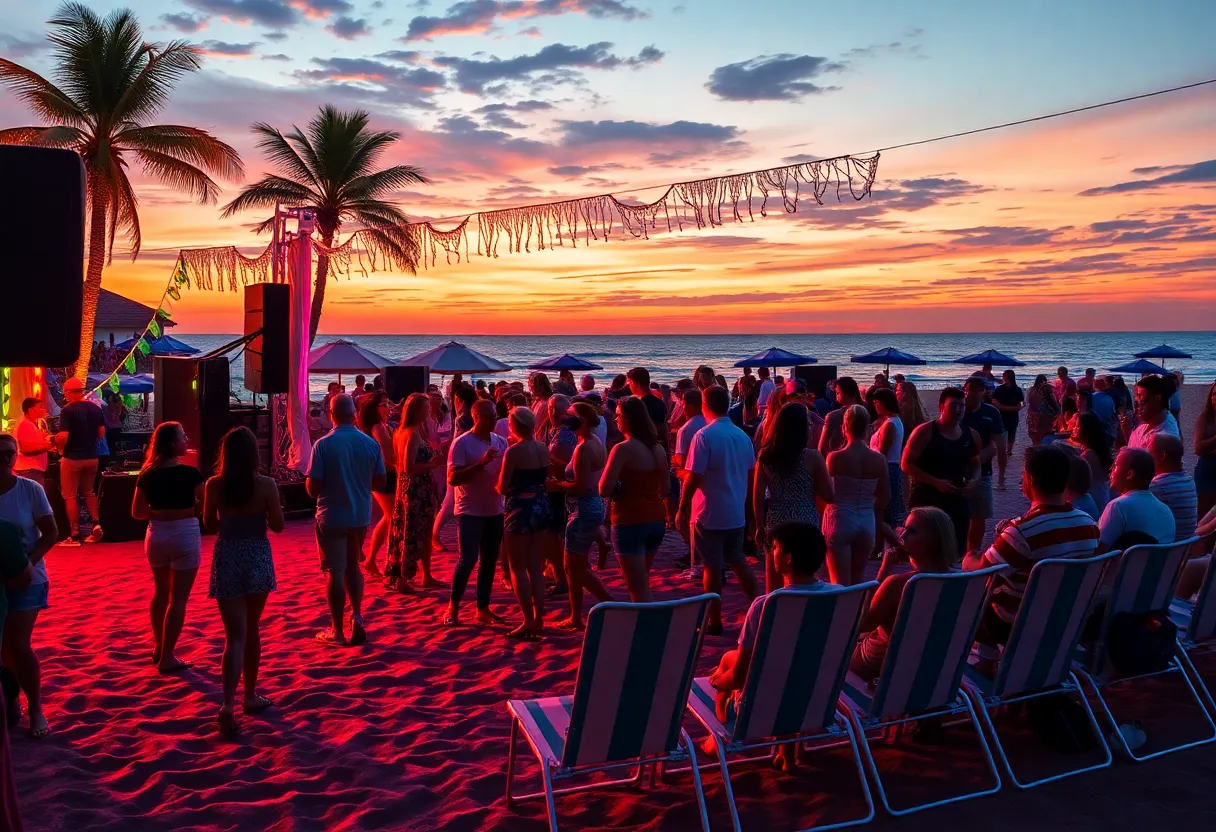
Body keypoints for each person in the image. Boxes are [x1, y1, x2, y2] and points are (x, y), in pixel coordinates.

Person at [703, 521, 832, 767]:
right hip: (815, 699)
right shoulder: (838, 595)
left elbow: (740, 677)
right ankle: (787, 752)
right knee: (789, 667)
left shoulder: (766, 606)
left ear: (788, 558)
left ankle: (720, 719)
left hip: (763, 707)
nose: (771, 552)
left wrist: (719, 682)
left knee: (728, 671)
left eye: (774, 547)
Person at [964, 446, 1099, 656]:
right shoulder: (1089, 525)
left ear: (1031, 479)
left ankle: (985, 661)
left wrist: (969, 556)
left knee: (972, 588)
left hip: (1018, 623)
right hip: (1066, 618)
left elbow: (981, 569)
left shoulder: (1022, 531)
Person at [202, 426, 283, 736]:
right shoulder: (266, 484)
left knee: (233, 635)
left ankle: (227, 703)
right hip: (257, 554)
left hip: (228, 554)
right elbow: (277, 525)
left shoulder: (214, 485)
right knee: (252, 629)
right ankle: (250, 695)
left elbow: (209, 525)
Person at [306, 395, 386, 647]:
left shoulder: (323, 444)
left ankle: (337, 629)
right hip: (359, 513)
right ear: (355, 414)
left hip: (331, 514)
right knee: (353, 565)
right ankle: (358, 615)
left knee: (334, 571)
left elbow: (312, 488)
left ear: (331, 414)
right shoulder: (370, 443)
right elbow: (380, 481)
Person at [678, 386, 760, 633]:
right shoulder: (741, 436)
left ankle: (713, 620)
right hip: (734, 508)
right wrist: (750, 513)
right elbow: (749, 474)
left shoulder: (704, 436)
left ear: (705, 404)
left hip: (709, 510)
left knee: (712, 566)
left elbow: (694, 477)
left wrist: (682, 507)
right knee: (737, 560)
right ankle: (759, 606)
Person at [131, 422, 204, 674]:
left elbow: (138, 512)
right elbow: (206, 503)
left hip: (156, 533)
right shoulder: (191, 474)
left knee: (160, 592)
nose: (186, 440)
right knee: (179, 599)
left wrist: (158, 511)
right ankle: (168, 655)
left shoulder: (147, 474)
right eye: (183, 436)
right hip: (184, 532)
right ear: (172, 443)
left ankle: (158, 645)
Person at [852, 506, 958, 680]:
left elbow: (863, 624)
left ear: (932, 541)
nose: (901, 536)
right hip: (932, 661)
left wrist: (883, 572)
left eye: (911, 531)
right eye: (904, 529)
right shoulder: (960, 580)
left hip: (883, 664)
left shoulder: (900, 584)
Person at [0, 434, 56, 740]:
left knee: (18, 643)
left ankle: (35, 707)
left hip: (27, 577)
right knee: (4, 646)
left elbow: (50, 532)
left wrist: (28, 564)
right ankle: (11, 700)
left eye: (9, 453)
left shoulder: (29, 489)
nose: (4, 459)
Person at [754, 402, 833, 592]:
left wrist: (759, 525)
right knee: (805, 575)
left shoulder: (766, 455)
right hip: (805, 518)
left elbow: (757, 494)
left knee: (773, 578)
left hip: (777, 518)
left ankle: (774, 615)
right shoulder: (813, 457)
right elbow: (829, 495)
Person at [445, 399, 509, 626]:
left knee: (490, 560)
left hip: (494, 508)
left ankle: (482, 607)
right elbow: (453, 478)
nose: (495, 419)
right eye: (490, 415)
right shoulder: (462, 443)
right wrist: (481, 464)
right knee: (468, 559)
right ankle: (453, 606)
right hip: (470, 509)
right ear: (477, 417)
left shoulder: (501, 441)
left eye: (495, 414)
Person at [549, 402, 611, 630]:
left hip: (583, 507)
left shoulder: (584, 447)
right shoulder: (594, 442)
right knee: (574, 566)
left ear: (582, 420)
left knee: (575, 567)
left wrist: (556, 486)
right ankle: (576, 616)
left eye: (572, 417)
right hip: (590, 505)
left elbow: (581, 485)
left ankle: (610, 604)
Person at [601, 396, 669, 602]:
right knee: (642, 579)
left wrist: (622, 486)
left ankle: (648, 629)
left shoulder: (622, 449)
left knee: (637, 587)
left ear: (629, 419)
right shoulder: (658, 449)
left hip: (630, 519)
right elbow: (665, 488)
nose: (615, 420)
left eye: (619, 415)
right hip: (656, 518)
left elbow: (604, 488)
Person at [902, 388, 979, 556]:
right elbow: (906, 464)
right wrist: (936, 482)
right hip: (926, 499)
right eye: (954, 405)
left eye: (962, 405)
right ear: (941, 407)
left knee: (957, 549)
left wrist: (974, 480)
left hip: (957, 500)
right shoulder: (925, 431)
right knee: (925, 551)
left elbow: (975, 462)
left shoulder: (970, 435)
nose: (959, 410)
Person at [497, 407, 550, 640]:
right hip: (541, 505)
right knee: (535, 566)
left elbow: (503, 485)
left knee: (517, 567)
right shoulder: (542, 447)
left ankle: (528, 618)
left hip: (520, 507)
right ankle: (539, 616)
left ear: (515, 425)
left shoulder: (514, 451)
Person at [822, 406, 889, 585]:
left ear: (844, 427)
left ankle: (841, 613)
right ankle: (857, 613)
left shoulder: (834, 458)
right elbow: (884, 496)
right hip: (867, 518)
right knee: (858, 580)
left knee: (839, 583)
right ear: (867, 427)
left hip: (840, 517)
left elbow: (826, 493)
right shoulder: (878, 459)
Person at [385, 393, 445, 593]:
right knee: (412, 532)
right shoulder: (412, 433)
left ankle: (424, 575)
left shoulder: (400, 431)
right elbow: (408, 467)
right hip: (415, 488)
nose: (429, 412)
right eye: (426, 408)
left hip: (406, 487)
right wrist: (431, 464)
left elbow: (397, 464)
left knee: (410, 531)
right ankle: (404, 577)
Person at [55, 377, 106, 545]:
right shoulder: (95, 409)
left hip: (72, 458)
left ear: (69, 393)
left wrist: (58, 446)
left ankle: (75, 535)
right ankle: (96, 524)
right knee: (89, 492)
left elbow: (63, 436)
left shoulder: (67, 411)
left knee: (70, 495)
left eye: (65, 394)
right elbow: (101, 433)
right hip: (92, 457)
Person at [1098, 448, 1175, 551]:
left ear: (1129, 474)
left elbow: (1100, 551)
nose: (1111, 469)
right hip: (1159, 567)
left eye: (1115, 465)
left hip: (1126, 567)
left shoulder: (1118, 507)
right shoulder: (1166, 510)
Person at [961, 376, 1007, 549]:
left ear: (983, 392)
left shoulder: (991, 413)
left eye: (975, 390)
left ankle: (973, 550)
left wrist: (1001, 475)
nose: (970, 394)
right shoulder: (958, 409)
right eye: (968, 390)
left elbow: (999, 444)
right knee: (957, 513)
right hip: (956, 469)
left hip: (983, 472)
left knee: (978, 515)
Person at [359, 393, 395, 577]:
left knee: (389, 517)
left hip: (383, 475)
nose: (388, 408)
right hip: (384, 476)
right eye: (384, 405)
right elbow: (388, 456)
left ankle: (371, 560)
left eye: (388, 404)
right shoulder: (378, 428)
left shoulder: (383, 426)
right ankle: (378, 560)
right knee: (392, 518)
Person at [672, 389, 707, 576]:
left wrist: (675, 466)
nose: (682, 409)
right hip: (709, 481)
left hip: (689, 479)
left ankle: (696, 554)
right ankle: (697, 554)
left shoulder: (686, 430)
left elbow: (681, 460)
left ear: (691, 405)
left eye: (684, 405)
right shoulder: (709, 423)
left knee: (685, 520)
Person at [869, 388, 906, 548]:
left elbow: (882, 452)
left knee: (880, 510)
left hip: (887, 468)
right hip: (890, 467)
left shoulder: (890, 424)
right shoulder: (891, 422)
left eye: (877, 402)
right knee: (883, 511)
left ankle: (888, 546)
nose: (875, 405)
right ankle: (880, 547)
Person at [1149, 433, 1198, 542]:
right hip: (1182, 548)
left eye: (1149, 450)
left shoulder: (1157, 486)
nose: (1147, 454)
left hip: (1166, 550)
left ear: (1162, 455)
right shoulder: (1188, 481)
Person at [1069, 412, 1113, 512]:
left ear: (1087, 431)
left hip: (1095, 502)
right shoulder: (1096, 450)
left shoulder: (1089, 455)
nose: (1074, 429)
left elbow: (1075, 481)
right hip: (1101, 497)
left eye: (1077, 426)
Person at [1126, 375, 1179, 450]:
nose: (1137, 409)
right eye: (1136, 404)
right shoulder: (1143, 428)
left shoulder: (1165, 436)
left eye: (1142, 403)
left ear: (1157, 399)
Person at [626, 367, 669, 451]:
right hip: (659, 447)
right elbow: (663, 428)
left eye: (629, 383)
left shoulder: (639, 405)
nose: (629, 387)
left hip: (646, 447)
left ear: (635, 383)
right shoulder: (659, 402)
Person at [13, 399, 51, 489]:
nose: (44, 409)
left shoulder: (37, 423)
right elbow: (25, 448)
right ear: (31, 409)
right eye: (41, 407)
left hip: (35, 469)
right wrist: (47, 445)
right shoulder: (24, 424)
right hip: (29, 470)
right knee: (34, 500)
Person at [818, 376, 860, 456]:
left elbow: (822, 447)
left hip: (836, 460)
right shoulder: (864, 412)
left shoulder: (833, 416)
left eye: (838, 393)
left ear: (846, 394)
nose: (836, 396)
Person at [1195, 381, 1216, 519]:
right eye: (1214, 394)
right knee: (1205, 517)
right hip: (1208, 471)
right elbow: (1198, 448)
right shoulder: (1204, 419)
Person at [991, 370, 1024, 453]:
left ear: (1007, 377)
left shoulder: (1017, 390)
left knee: (1011, 433)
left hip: (1011, 415)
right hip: (1002, 414)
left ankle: (1009, 450)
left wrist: (1002, 407)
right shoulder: (1000, 389)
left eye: (1003, 375)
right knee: (1001, 432)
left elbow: (1020, 405)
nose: (1002, 377)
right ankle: (1003, 449)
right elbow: (993, 401)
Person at [1025, 375, 1059, 446]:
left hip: (1032, 416)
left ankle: (1036, 451)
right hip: (1043, 416)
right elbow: (1052, 403)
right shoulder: (1045, 390)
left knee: (1034, 438)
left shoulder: (1031, 390)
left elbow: (1029, 402)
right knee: (1043, 437)